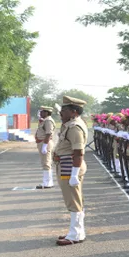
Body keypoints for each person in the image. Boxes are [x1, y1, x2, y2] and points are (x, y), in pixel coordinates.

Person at [54, 96, 89, 246]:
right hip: (67, 164)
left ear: (74, 112)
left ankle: (75, 234)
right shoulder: (69, 124)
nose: (60, 113)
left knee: (73, 201)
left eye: (64, 110)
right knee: (75, 200)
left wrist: (74, 174)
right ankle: (77, 231)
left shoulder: (74, 127)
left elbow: (78, 152)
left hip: (70, 165)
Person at [35, 107, 56, 189]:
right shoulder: (45, 120)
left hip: (45, 142)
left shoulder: (48, 121)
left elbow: (48, 134)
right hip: (42, 142)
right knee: (45, 163)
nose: (40, 113)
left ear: (47, 113)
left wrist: (44, 146)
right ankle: (47, 181)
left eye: (42, 112)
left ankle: (47, 182)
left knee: (46, 163)